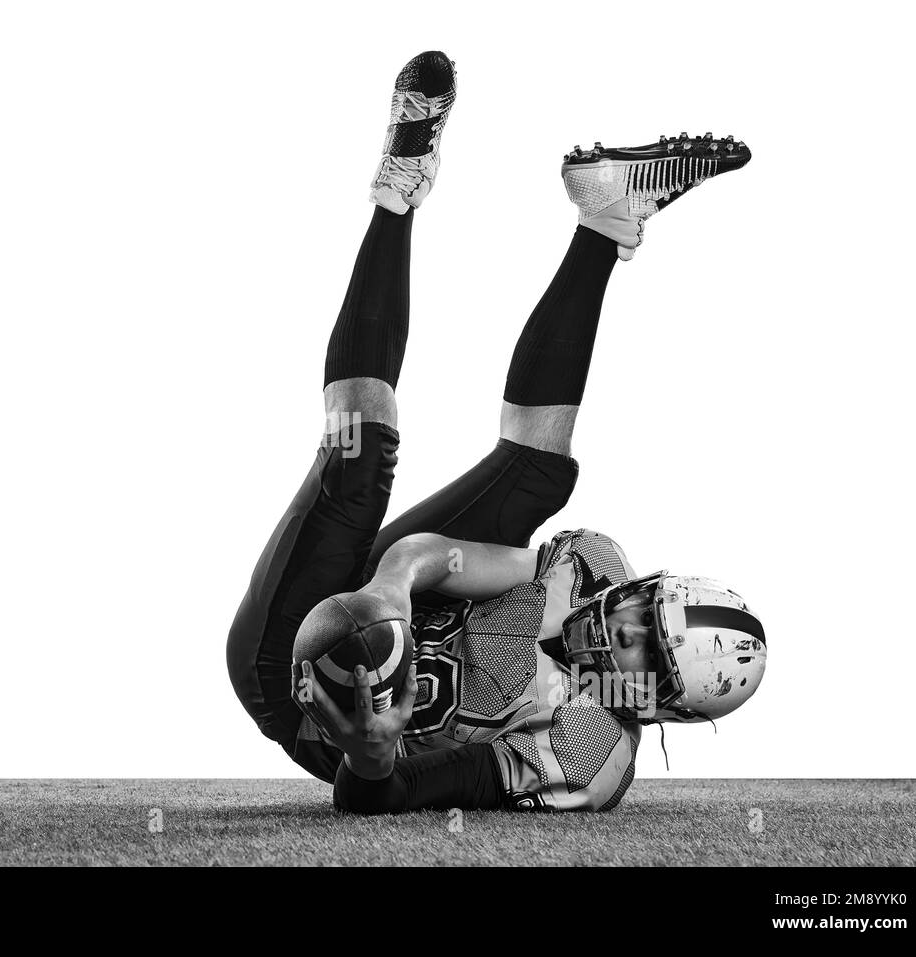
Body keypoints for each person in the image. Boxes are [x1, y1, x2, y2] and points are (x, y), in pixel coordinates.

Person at [227, 51, 765, 813]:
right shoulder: (592, 572)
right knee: (524, 472)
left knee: (357, 469)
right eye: (643, 606)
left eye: (644, 646)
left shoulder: (586, 756)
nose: (621, 621)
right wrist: (392, 589)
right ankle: (599, 218)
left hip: (286, 678)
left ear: (662, 707)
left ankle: (394, 200)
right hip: (383, 601)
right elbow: (434, 555)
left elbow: (396, 796)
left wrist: (372, 749)